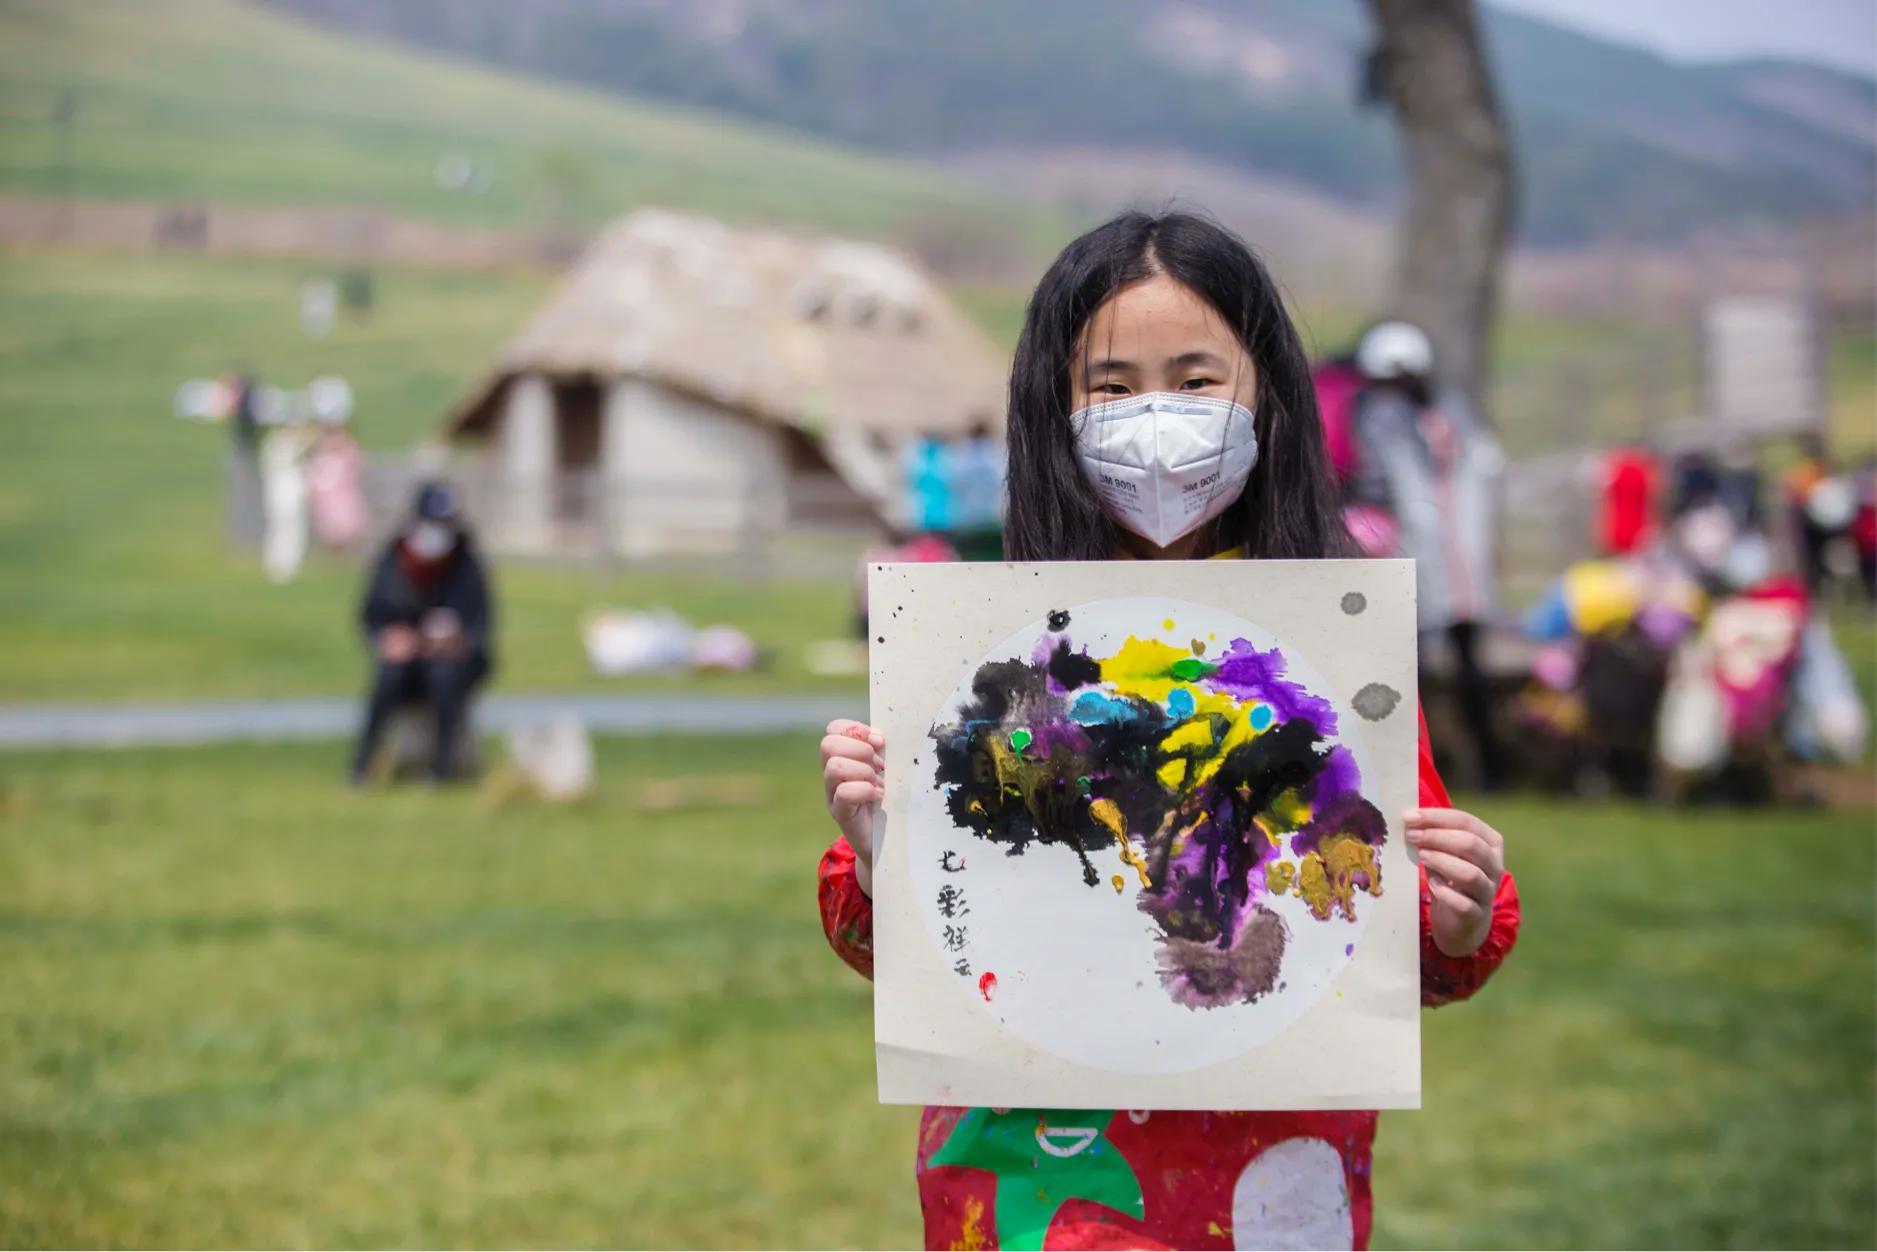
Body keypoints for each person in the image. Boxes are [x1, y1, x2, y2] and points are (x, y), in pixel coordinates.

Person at [815, 211, 1520, 1251]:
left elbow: (1395, 936)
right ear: (1049, 408)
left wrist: (1457, 918)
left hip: (1262, 1187)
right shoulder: (986, 648)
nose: (1154, 416)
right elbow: (905, 940)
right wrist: (882, 857)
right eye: (1110, 385)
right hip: (1029, 1191)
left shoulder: (1329, 656)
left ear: (1267, 394)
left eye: (1195, 380)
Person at [1349, 320, 1508, 790]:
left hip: (1443, 560)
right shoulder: (1426, 415)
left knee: (1435, 669)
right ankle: (1430, 770)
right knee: (1422, 671)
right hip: (1428, 560)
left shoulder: (1417, 416)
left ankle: (1477, 766)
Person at [348, 482, 493, 784]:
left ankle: (441, 770)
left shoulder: (466, 562)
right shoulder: (394, 560)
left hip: (451, 663)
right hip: (408, 661)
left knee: (444, 675)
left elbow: (480, 626)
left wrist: (457, 640)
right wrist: (388, 638)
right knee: (390, 675)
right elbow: (371, 615)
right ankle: (361, 766)